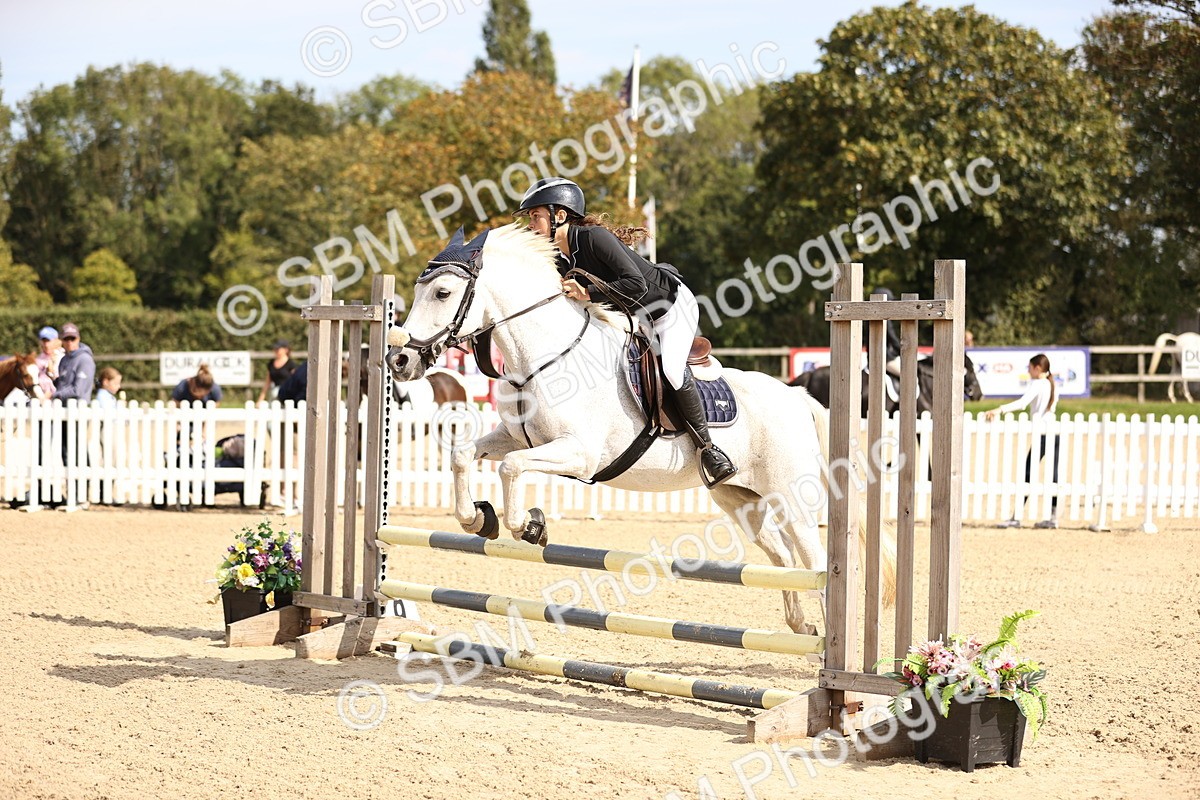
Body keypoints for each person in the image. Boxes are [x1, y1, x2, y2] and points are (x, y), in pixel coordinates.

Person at [516, 177, 737, 486]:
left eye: (535, 215)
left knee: (672, 370)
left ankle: (708, 449)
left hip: (670, 306)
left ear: (560, 216)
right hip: (635, 315)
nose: (530, 223)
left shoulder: (593, 238)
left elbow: (637, 284)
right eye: (529, 217)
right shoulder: (559, 256)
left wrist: (588, 292)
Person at [985, 354, 1060, 529]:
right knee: (1053, 475)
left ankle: (1016, 517)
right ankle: (1053, 517)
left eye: (1029, 368)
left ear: (1037, 368)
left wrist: (999, 410)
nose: (1028, 371)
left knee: (1028, 473)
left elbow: (1022, 403)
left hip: (1042, 434)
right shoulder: (1052, 383)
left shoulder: (1038, 384)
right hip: (1054, 432)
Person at [54, 323, 96, 403]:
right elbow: (64, 385)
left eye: (72, 339)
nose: (69, 342)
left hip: (79, 409)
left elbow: (78, 390)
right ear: (61, 340)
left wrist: (56, 395)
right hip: (63, 408)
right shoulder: (64, 359)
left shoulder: (85, 360)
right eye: (66, 339)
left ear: (78, 339)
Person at [33, 326, 63, 400]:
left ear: (56, 341)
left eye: (48, 341)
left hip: (57, 398)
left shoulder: (62, 358)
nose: (46, 344)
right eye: (44, 341)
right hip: (38, 398)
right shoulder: (38, 359)